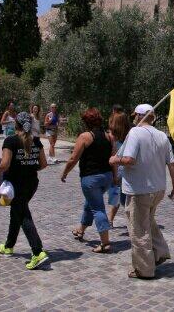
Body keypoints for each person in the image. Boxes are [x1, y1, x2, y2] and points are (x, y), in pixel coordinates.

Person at [109, 104, 174, 279]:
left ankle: (144, 269)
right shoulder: (162, 136)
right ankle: (160, 252)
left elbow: (129, 159)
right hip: (157, 189)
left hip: (139, 190)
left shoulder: (135, 133)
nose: (133, 118)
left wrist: (115, 159)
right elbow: (171, 164)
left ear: (140, 116)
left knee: (139, 229)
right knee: (148, 221)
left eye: (135, 115)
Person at [0, 112, 49, 270]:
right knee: (17, 211)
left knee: (23, 215)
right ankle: (9, 246)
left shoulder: (11, 141)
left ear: (16, 125)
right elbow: (43, 164)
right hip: (31, 183)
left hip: (15, 185)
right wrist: (29, 167)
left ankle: (38, 252)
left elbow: (5, 164)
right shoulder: (36, 141)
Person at [60, 108, 117, 253]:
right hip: (106, 177)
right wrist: (115, 177)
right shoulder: (109, 137)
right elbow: (113, 159)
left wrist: (64, 173)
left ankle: (105, 243)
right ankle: (80, 229)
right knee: (90, 203)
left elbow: (73, 158)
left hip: (91, 179)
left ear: (86, 122)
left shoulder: (85, 137)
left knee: (98, 208)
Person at [107, 111, 131, 227]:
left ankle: (132, 221)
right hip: (121, 170)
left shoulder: (130, 136)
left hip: (122, 170)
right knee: (118, 197)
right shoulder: (114, 136)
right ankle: (110, 219)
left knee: (121, 198)